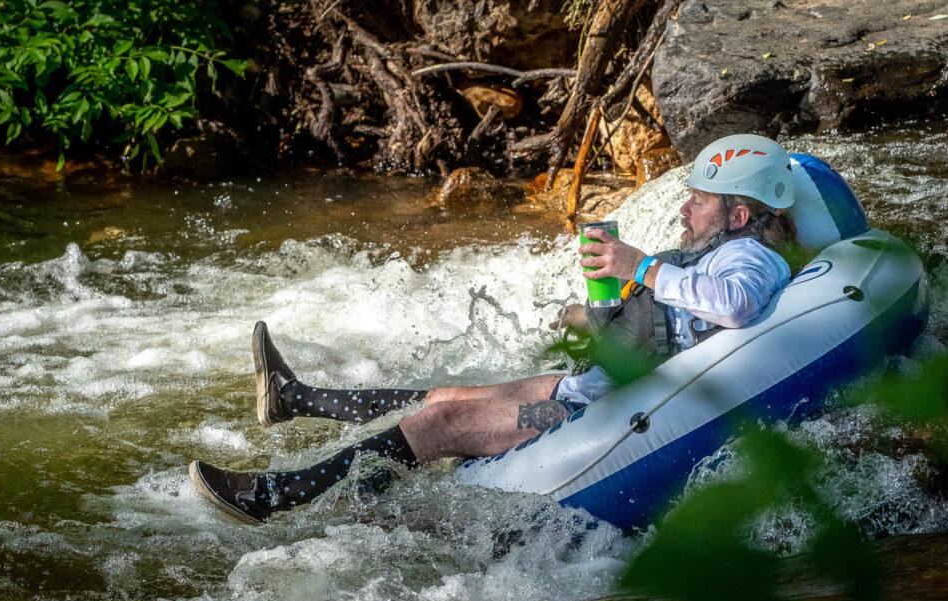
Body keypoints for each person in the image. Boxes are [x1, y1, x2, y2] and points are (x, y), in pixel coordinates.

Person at [189, 133, 798, 525]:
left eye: (699, 201)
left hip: (606, 410)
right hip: (597, 385)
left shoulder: (749, 258)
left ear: (738, 214)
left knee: (439, 424)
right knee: (448, 397)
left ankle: (272, 498)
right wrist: (597, 313)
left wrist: (638, 265)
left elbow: (736, 305)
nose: (683, 209)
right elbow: (672, 322)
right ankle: (298, 399)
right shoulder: (711, 252)